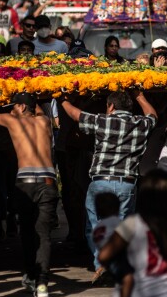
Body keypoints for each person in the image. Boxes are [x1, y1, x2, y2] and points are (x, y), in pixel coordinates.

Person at [0, 88, 57, 297]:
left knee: (28, 233)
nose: (12, 110)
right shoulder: (45, 122)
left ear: (20, 107)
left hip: (25, 183)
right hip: (48, 181)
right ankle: (43, 283)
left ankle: (30, 275)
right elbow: (36, 107)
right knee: (44, 234)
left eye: (14, 107)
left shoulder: (13, 122)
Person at [61, 91, 158, 280]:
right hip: (127, 185)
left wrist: (61, 99)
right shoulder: (141, 124)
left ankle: (103, 263)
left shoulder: (102, 121)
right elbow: (153, 115)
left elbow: (75, 114)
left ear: (111, 106)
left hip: (101, 183)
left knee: (94, 227)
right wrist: (140, 96)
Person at [93, 193, 136, 297]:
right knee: (128, 278)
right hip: (119, 256)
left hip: (109, 259)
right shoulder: (117, 223)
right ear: (118, 209)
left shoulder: (98, 227)